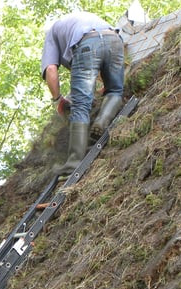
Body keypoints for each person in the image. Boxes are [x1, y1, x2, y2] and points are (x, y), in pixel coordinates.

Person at [41, 11, 125, 176]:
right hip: (114, 39)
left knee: (80, 105)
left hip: (87, 43)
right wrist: (102, 83)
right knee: (115, 90)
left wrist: (58, 100)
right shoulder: (77, 21)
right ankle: (101, 122)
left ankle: (73, 162)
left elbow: (51, 69)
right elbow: (102, 51)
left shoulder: (51, 33)